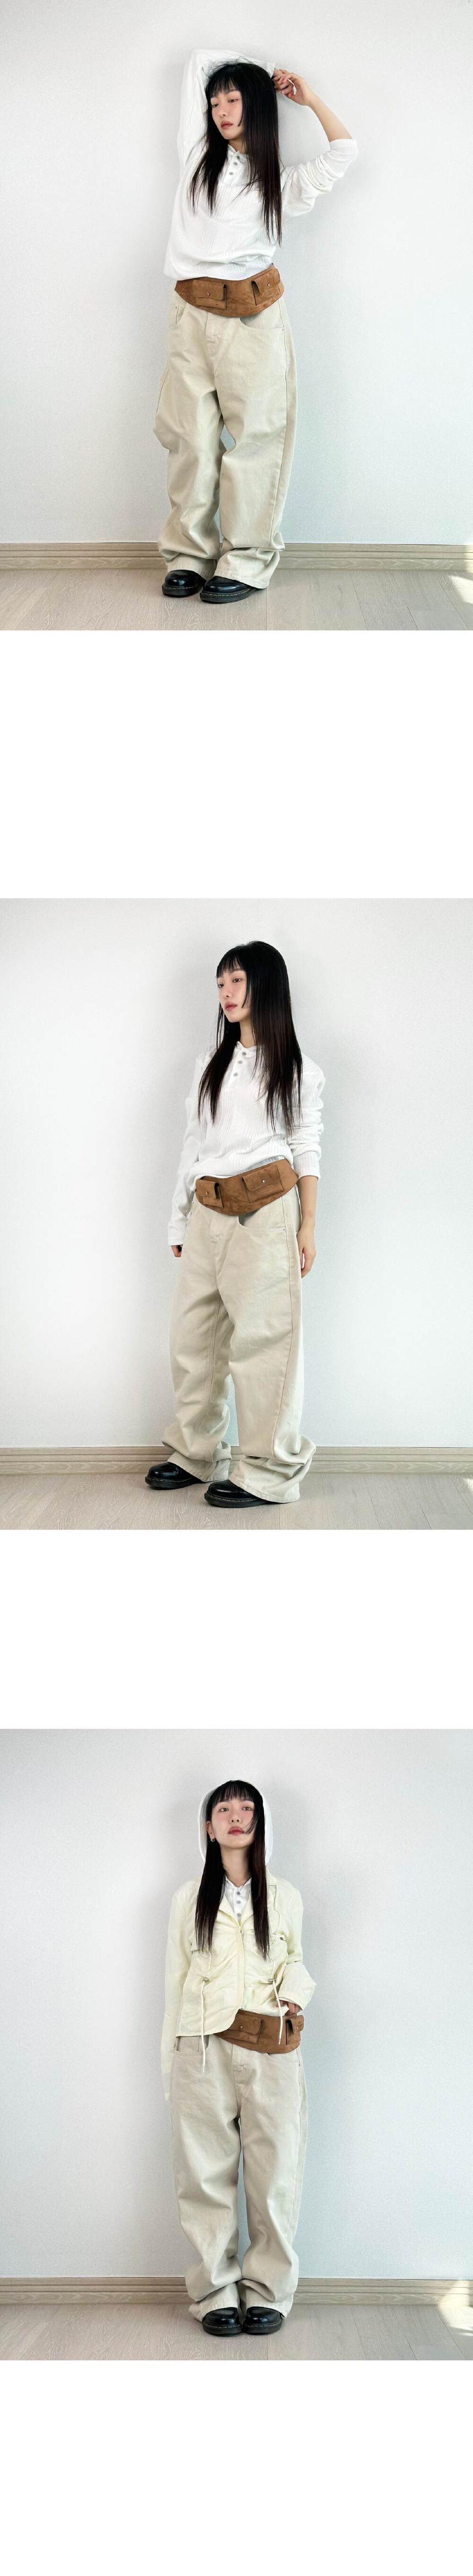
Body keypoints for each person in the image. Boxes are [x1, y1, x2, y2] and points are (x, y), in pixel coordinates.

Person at [155, 52, 358, 601]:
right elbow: (198, 61)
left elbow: (344, 151)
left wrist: (304, 96)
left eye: (234, 99)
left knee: (258, 439)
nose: (221, 110)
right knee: (190, 439)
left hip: (254, 316)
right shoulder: (197, 155)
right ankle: (189, 556)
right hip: (191, 313)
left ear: (258, 106)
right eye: (215, 101)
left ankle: (245, 560)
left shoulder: (279, 182)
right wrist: (261, 68)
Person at [146, 939, 324, 1509]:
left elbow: (306, 1146)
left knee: (266, 1342)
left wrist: (308, 1225)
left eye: (237, 980)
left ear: (265, 985)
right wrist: (178, 1218)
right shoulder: (211, 1065)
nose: (225, 992)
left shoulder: (297, 1067)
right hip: (208, 1209)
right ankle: (197, 1452)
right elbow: (194, 1143)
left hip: (267, 1208)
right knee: (194, 1339)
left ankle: (270, 1472)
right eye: (221, 982)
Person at [162, 1778, 315, 2335]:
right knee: (203, 2177)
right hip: (201, 2048)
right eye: (223, 1808)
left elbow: (296, 1959)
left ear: (259, 1822)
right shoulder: (188, 1899)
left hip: (270, 2048)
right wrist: (171, 2066)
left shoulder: (285, 1895)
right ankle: (214, 2292)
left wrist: (296, 1992)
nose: (235, 1816)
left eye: (246, 1807)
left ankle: (269, 2291)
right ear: (208, 1827)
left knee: (275, 2174)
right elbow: (174, 1983)